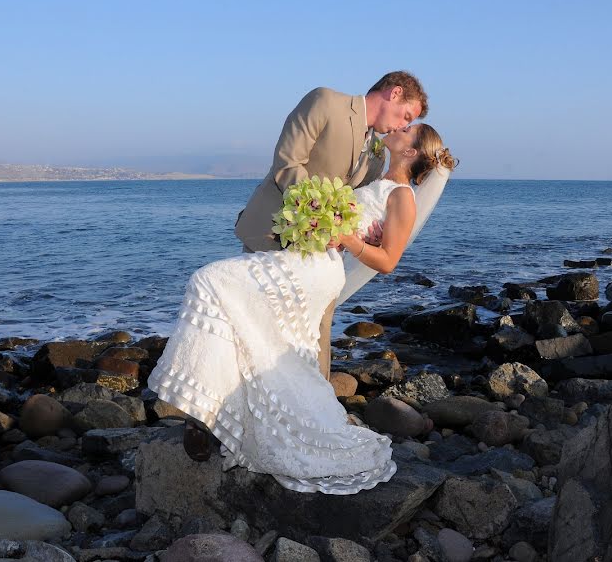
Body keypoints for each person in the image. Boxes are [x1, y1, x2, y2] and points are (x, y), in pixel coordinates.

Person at [147, 123, 456, 494]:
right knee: (251, 327)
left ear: (411, 151)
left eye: (408, 130)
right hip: (306, 257)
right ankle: (218, 408)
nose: (400, 128)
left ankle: (205, 402)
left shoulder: (403, 196)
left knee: (211, 279)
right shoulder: (377, 176)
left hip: (320, 270)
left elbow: (389, 260)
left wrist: (347, 239)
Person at [235, 72, 429, 383]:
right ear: (393, 93)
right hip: (273, 234)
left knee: (317, 331)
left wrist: (363, 230)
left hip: (323, 257)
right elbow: (287, 164)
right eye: (405, 116)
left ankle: (317, 413)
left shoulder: (377, 155)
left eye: (408, 125)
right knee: (259, 327)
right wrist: (329, 215)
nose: (400, 127)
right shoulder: (324, 102)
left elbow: (357, 203)